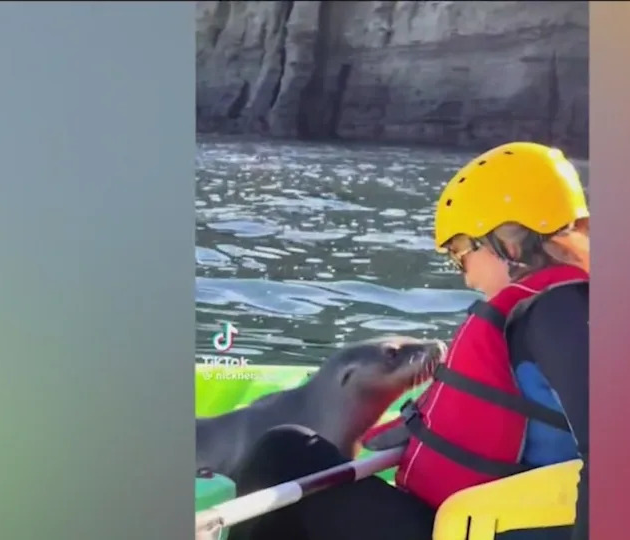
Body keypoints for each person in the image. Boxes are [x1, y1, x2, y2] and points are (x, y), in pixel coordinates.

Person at [233, 141, 589, 540]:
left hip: (467, 531)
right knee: (295, 450)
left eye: (460, 252)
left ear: (507, 244)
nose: (465, 275)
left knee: (282, 454)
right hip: (458, 521)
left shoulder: (558, 313)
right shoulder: (567, 310)